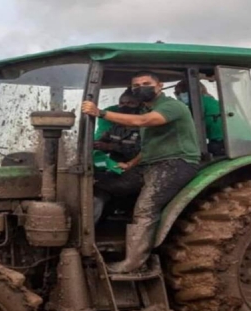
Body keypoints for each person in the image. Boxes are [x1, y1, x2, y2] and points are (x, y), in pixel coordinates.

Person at [82, 71, 200, 273]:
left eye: (146, 83)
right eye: (136, 85)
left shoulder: (171, 106)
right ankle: (89, 238)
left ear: (159, 86)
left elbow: (144, 122)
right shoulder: (147, 108)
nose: (140, 88)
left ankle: (133, 264)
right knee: (103, 183)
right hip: (149, 164)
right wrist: (129, 164)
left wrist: (100, 113)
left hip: (176, 164)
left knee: (145, 208)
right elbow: (149, 148)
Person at [93, 89, 143, 224]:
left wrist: (111, 147)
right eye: (122, 103)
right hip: (116, 168)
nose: (125, 106)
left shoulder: (145, 127)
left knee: (93, 183)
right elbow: (105, 140)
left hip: (138, 170)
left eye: (131, 103)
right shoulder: (116, 127)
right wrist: (97, 143)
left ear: (140, 105)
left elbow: (143, 151)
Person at [174, 81, 225, 156]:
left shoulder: (196, 104)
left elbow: (188, 128)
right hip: (232, 141)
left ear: (191, 92)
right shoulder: (212, 101)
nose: (179, 96)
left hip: (222, 143)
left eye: (180, 93)